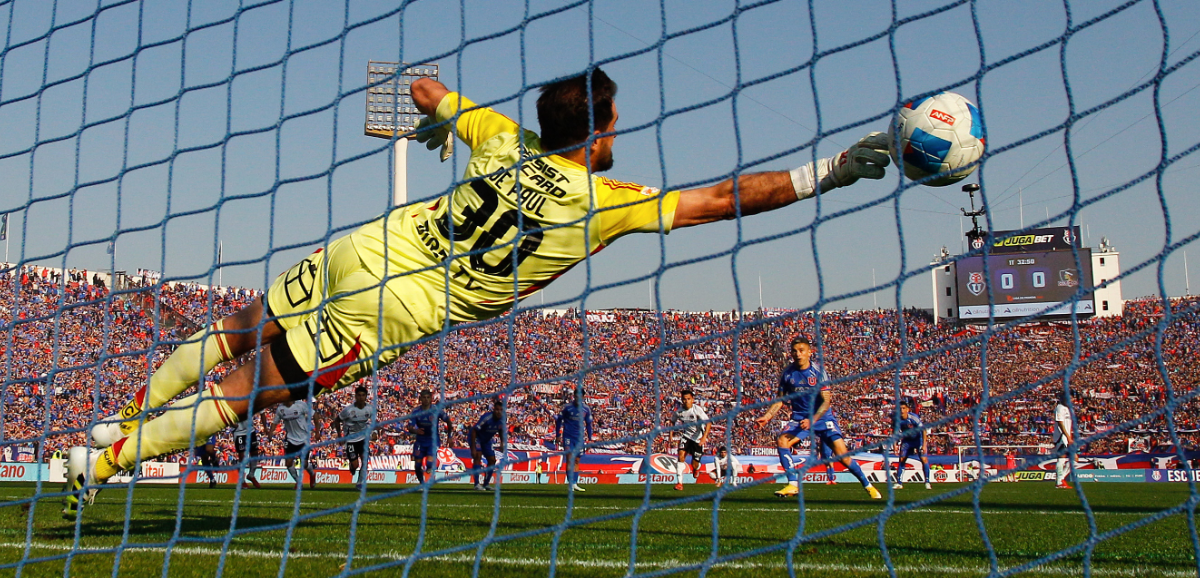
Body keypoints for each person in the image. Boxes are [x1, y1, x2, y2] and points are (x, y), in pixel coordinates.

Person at [64, 68, 890, 519]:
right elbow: (724, 199)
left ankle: (123, 415)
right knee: (244, 396)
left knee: (230, 330)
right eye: (614, 127)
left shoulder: (499, 135)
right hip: (392, 304)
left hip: (369, 244)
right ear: (599, 135)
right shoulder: (609, 201)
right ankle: (103, 460)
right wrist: (834, 172)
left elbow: (425, 87)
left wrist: (434, 120)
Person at [755, 336, 881, 500]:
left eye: (801, 351)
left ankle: (868, 486)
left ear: (809, 352)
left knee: (842, 456)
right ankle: (793, 484)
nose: (798, 354)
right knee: (782, 441)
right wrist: (767, 416)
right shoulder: (787, 374)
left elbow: (826, 402)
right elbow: (780, 400)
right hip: (800, 418)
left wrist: (812, 420)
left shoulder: (819, 373)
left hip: (822, 418)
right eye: (794, 351)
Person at [407, 389, 453, 485]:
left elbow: (448, 421)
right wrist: (416, 431)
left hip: (433, 440)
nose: (426, 399)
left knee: (429, 463)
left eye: (428, 397)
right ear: (420, 399)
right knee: (417, 465)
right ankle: (422, 483)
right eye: (424, 397)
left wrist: (450, 436)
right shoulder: (416, 411)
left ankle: (430, 469)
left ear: (431, 399)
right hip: (420, 440)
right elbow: (410, 427)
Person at [269, 399, 317, 490]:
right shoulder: (281, 409)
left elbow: (315, 415)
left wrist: (317, 431)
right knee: (288, 463)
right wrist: (271, 432)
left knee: (304, 463)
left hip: (304, 439)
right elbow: (275, 422)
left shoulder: (301, 405)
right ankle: (298, 482)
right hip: (290, 438)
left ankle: (312, 474)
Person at [333, 386, 375, 489]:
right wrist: (340, 435)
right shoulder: (349, 410)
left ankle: (360, 482)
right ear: (355, 396)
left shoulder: (370, 409)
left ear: (366, 396)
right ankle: (352, 467)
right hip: (351, 439)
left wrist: (374, 432)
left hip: (363, 438)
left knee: (365, 461)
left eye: (363, 395)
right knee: (355, 465)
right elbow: (337, 420)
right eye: (359, 395)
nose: (361, 398)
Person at [555, 387, 594, 492]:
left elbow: (589, 424)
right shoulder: (567, 408)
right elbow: (558, 421)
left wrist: (590, 438)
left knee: (577, 460)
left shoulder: (586, 409)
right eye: (576, 396)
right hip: (568, 436)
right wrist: (558, 434)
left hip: (579, 438)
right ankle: (570, 483)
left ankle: (575, 483)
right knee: (570, 459)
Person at [671, 388, 710, 491]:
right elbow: (672, 421)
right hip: (686, 436)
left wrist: (704, 437)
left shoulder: (697, 410)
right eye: (684, 399)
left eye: (688, 399)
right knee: (681, 456)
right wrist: (670, 436)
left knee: (695, 463)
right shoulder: (679, 412)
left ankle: (696, 468)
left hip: (697, 439)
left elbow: (708, 423)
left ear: (692, 399)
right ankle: (679, 483)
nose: (686, 401)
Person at [468, 397, 506, 491]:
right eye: (497, 409)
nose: (498, 412)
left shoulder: (502, 419)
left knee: (492, 460)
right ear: (494, 410)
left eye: (501, 410)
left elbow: (501, 430)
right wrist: (473, 448)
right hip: (477, 437)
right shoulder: (486, 418)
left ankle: (486, 484)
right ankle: (477, 484)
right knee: (478, 456)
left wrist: (502, 443)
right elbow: (474, 431)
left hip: (487, 440)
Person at [894, 401, 932, 490]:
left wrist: (924, 445)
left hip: (918, 439)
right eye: (900, 409)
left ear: (907, 409)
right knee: (902, 459)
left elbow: (923, 430)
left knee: (923, 459)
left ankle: (927, 482)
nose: (902, 410)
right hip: (907, 440)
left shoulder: (913, 418)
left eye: (904, 408)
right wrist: (895, 445)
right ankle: (899, 483)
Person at [232, 415, 261, 489]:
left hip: (250, 431)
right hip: (239, 432)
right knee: (242, 457)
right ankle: (242, 481)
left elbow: (261, 411)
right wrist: (232, 424)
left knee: (255, 453)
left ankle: (251, 475)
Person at [1054, 388, 1075, 489]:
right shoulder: (1060, 408)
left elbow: (1068, 425)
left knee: (1074, 459)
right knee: (1061, 459)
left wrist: (1070, 437)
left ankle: (1061, 478)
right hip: (1061, 437)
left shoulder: (1068, 409)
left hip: (1068, 437)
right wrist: (1067, 437)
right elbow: (1060, 423)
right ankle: (1059, 482)